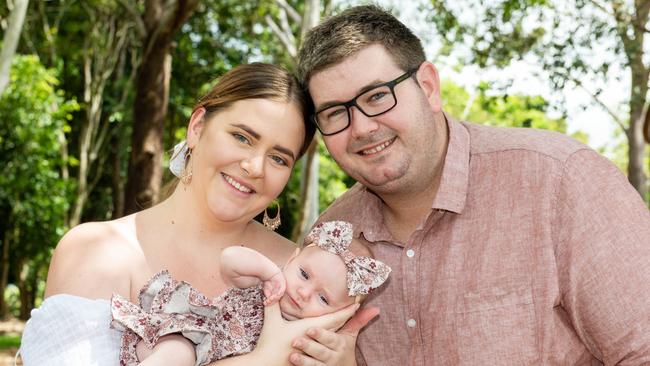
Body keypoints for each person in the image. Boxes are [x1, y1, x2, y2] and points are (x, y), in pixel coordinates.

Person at [289, 5, 650, 366]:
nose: (362, 128)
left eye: (378, 95)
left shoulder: (561, 182)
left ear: (428, 87)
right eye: (336, 113)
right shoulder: (330, 238)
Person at [18, 63, 358, 366]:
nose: (254, 167)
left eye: (279, 158)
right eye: (242, 137)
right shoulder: (96, 250)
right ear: (197, 127)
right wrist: (264, 359)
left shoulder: (303, 277)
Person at [110, 220, 390, 366]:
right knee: (177, 353)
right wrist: (268, 271)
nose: (304, 292)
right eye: (304, 274)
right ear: (292, 259)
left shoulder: (314, 340)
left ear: (340, 314)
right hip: (198, 339)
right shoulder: (268, 284)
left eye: (323, 298)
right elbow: (229, 258)